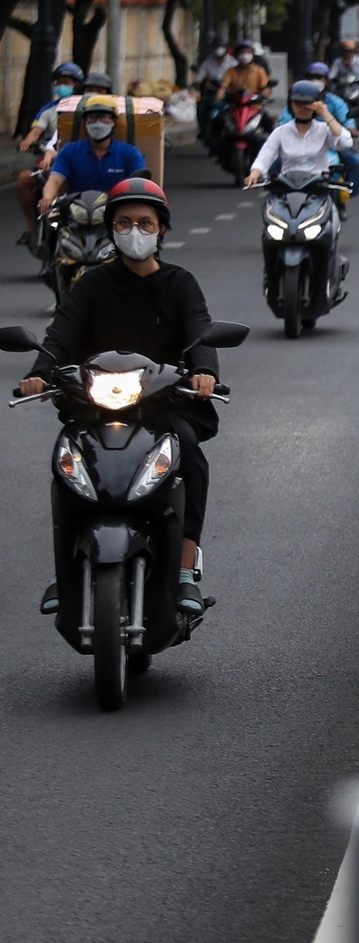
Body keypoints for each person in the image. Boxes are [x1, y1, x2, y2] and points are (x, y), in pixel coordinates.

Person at [19, 178, 221, 623]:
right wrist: (38, 372)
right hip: (95, 405)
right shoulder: (91, 285)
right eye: (124, 222)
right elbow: (60, 335)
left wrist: (204, 371)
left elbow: (200, 332)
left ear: (161, 230)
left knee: (190, 453)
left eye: (145, 223)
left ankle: (185, 566)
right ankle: (66, 568)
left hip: (165, 405)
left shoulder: (179, 283)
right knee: (67, 460)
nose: (135, 230)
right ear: (110, 228)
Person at [40, 95, 149, 220]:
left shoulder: (130, 153)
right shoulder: (70, 151)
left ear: (114, 122)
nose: (98, 123)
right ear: (85, 122)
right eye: (92, 118)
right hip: (76, 217)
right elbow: (54, 180)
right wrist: (47, 198)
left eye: (104, 117)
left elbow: (140, 185)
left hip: (115, 218)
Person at [278, 64, 359, 199]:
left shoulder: (335, 102)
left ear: (327, 81)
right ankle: (278, 194)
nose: (315, 81)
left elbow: (346, 118)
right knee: (275, 163)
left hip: (330, 143)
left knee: (357, 162)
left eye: (319, 77)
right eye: (311, 78)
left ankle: (346, 196)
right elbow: (283, 122)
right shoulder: (295, 102)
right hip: (300, 141)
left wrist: (350, 128)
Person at [15, 62, 83, 231]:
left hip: (80, 160)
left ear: (77, 85)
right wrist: (28, 141)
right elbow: (37, 131)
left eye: (67, 82)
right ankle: (31, 226)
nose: (62, 86)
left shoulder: (84, 108)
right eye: (59, 82)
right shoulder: (49, 110)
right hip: (54, 162)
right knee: (25, 178)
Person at [245, 81, 353, 187]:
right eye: (297, 103)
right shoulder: (281, 132)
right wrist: (254, 175)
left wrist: (325, 114)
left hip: (318, 189)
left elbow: (346, 142)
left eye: (307, 104)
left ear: (316, 105)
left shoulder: (324, 129)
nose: (302, 108)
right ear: (290, 104)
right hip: (288, 189)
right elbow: (264, 157)